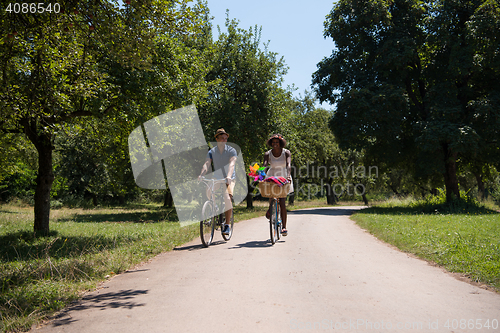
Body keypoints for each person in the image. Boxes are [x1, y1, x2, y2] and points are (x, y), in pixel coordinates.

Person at [198, 128, 237, 235]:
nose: (224, 140)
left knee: (227, 197)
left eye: (225, 138)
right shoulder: (212, 152)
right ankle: (213, 207)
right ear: (217, 139)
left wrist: (228, 177)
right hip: (217, 177)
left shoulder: (231, 151)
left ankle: (227, 225)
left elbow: (232, 164)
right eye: (222, 138)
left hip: (229, 177)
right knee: (209, 190)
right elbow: (206, 164)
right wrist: (202, 174)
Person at [263, 133, 293, 236]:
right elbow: (265, 166)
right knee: (271, 197)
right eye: (273, 142)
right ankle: (271, 210)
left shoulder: (286, 153)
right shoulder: (268, 154)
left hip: (283, 176)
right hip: (272, 175)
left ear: (280, 143)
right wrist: (261, 176)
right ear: (271, 143)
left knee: (283, 201)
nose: (275, 144)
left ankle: (284, 227)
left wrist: (288, 176)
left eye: (277, 142)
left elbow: (288, 165)